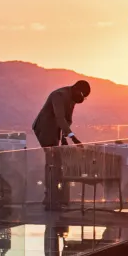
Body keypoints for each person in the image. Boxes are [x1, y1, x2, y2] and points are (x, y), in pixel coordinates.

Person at [33, 78, 91, 210]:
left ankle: (55, 197)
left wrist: (64, 137)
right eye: (82, 95)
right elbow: (59, 117)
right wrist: (73, 137)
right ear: (76, 88)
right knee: (52, 163)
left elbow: (67, 119)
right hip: (45, 129)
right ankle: (50, 198)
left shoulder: (72, 97)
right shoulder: (58, 95)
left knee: (57, 164)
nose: (82, 99)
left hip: (57, 131)